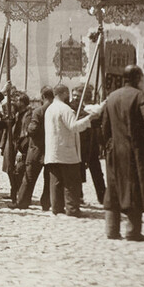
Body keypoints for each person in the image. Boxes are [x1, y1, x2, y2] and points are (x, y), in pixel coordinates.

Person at [100, 65, 144, 241]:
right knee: (133, 188)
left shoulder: (111, 96)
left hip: (114, 151)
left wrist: (109, 144)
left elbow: (104, 127)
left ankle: (111, 230)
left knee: (113, 189)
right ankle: (133, 231)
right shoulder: (140, 95)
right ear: (138, 78)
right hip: (133, 152)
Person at [43, 84, 98, 217]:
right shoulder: (65, 109)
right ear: (63, 93)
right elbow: (74, 127)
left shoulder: (50, 109)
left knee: (56, 182)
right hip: (66, 151)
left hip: (53, 151)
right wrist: (89, 118)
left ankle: (57, 208)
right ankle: (72, 209)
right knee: (71, 182)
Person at [16, 87, 53, 210]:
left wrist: (27, 129)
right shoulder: (55, 110)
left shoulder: (38, 111)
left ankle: (22, 202)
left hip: (36, 149)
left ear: (42, 96)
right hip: (50, 150)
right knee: (48, 180)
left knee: (29, 178)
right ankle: (46, 203)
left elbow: (33, 129)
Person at [69, 85, 106, 205]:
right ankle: (78, 196)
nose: (75, 98)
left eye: (78, 96)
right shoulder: (71, 107)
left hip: (91, 144)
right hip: (79, 144)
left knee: (97, 172)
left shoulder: (89, 107)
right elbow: (79, 120)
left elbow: (97, 121)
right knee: (78, 171)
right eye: (73, 95)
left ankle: (103, 197)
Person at [4, 92, 31, 207]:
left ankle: (19, 196)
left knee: (18, 171)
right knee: (10, 169)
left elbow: (26, 134)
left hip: (19, 147)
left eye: (18, 100)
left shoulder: (27, 115)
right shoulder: (16, 114)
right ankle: (13, 193)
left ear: (23, 102)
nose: (15, 102)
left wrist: (21, 150)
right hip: (12, 145)